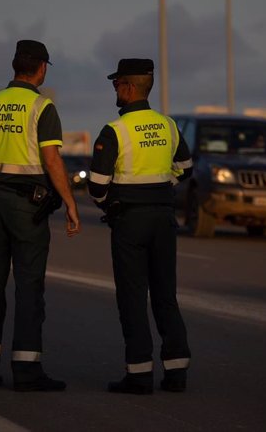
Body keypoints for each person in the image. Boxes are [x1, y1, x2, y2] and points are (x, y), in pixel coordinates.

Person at [0, 39, 80, 392]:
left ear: (15, 66)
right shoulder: (42, 108)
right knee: (29, 286)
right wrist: (70, 203)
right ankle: (27, 371)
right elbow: (52, 160)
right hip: (27, 204)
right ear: (42, 68)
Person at [88, 58, 193, 394]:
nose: (114, 90)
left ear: (129, 87)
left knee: (133, 298)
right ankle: (176, 373)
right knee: (165, 296)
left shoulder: (114, 131)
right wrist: (164, 187)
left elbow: (97, 185)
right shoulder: (168, 126)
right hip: (163, 218)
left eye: (117, 84)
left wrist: (111, 205)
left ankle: (139, 375)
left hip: (129, 220)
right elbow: (186, 168)